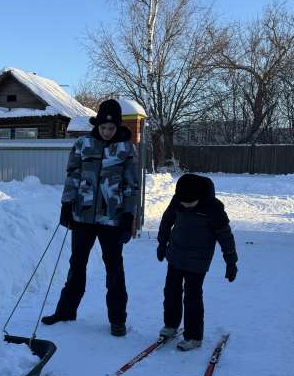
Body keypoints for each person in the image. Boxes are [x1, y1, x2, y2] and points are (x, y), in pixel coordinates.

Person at [42, 99, 139, 336]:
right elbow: (72, 175)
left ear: (118, 126)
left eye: (111, 128)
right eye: (103, 127)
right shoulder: (82, 144)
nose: (107, 132)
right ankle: (66, 311)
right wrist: (67, 204)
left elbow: (131, 185)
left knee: (114, 269)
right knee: (77, 265)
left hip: (112, 219)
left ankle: (117, 319)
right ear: (97, 125)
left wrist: (129, 215)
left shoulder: (126, 149)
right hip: (82, 216)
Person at [156, 173, 238, 350]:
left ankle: (194, 336)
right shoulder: (178, 200)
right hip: (175, 254)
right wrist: (162, 243)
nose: (186, 206)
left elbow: (225, 236)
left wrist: (231, 262)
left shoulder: (214, 208)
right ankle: (171, 325)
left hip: (198, 260)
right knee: (171, 291)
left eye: (190, 203)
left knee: (192, 296)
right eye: (183, 203)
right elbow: (167, 220)